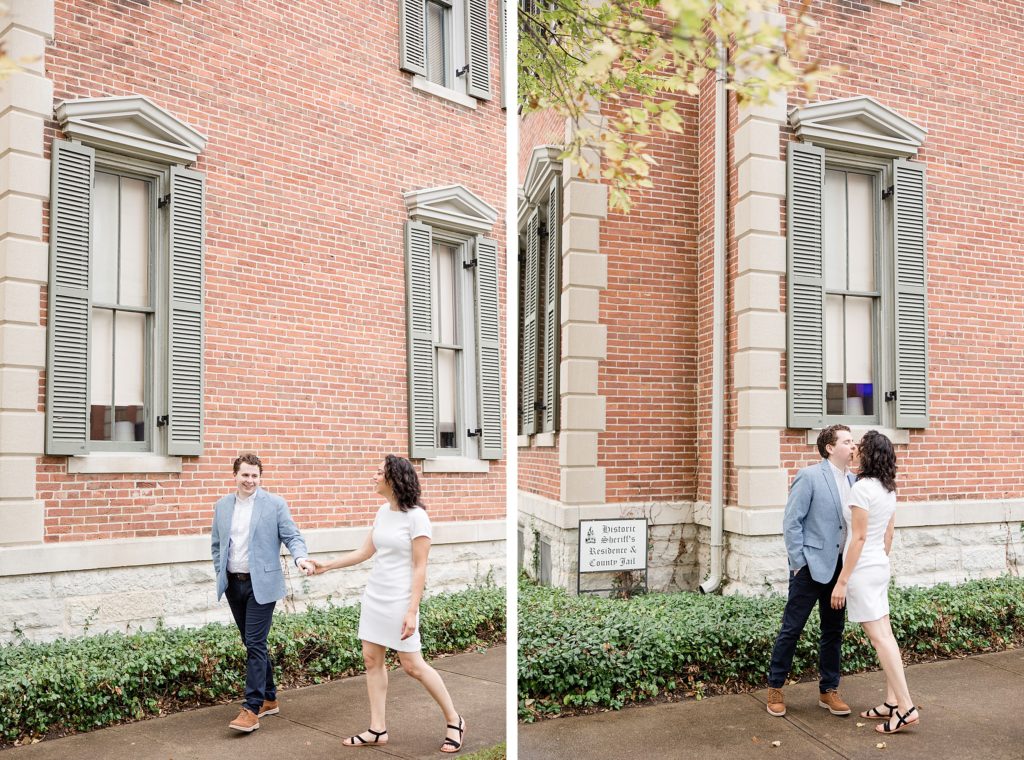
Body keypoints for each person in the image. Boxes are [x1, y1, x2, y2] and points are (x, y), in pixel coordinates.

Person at [311, 454, 466, 753]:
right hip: (376, 597)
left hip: (400, 600)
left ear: (394, 479)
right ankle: (377, 728)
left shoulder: (417, 517)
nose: (374, 476)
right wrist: (326, 566)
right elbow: (364, 551)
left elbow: (420, 567)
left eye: (379, 472)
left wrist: (412, 611)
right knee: (371, 661)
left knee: (412, 665)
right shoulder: (383, 512)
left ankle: (454, 719)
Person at [211, 453, 315, 733]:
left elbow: (292, 536)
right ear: (235, 475)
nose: (250, 480)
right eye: (245, 475)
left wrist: (300, 558)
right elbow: (217, 543)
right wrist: (219, 571)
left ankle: (252, 707)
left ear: (260, 477)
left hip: (262, 585)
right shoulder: (222, 506)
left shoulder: (274, 504)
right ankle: (270, 698)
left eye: (255, 476)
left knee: (255, 642)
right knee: (252, 642)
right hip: (233, 583)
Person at [831, 430, 919, 734]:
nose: (855, 449)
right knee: (886, 636)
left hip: (862, 570)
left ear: (868, 455)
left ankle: (906, 708)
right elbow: (888, 535)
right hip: (879, 565)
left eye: (860, 447)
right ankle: (892, 701)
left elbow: (858, 537)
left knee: (880, 639)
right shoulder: (887, 488)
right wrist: (879, 560)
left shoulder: (862, 488)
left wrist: (842, 582)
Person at [766, 424, 856, 718]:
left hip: (839, 569)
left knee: (833, 631)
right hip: (808, 568)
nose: (853, 446)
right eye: (847, 441)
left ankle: (828, 690)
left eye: (853, 441)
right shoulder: (810, 476)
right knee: (792, 629)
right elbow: (792, 521)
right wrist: (797, 563)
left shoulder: (855, 482)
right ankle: (775, 686)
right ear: (830, 448)